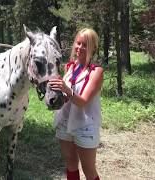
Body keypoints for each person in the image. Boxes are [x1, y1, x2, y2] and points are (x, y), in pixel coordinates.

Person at [49, 28, 103, 180]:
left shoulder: (96, 72)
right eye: (78, 43)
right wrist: (56, 93)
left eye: (85, 44)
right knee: (71, 164)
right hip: (65, 122)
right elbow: (68, 98)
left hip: (85, 126)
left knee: (89, 170)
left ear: (93, 47)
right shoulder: (69, 67)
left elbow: (83, 101)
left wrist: (65, 88)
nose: (79, 47)